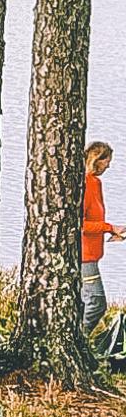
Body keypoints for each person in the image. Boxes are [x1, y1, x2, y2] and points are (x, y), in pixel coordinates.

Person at [83, 141, 121, 332]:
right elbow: (80, 224)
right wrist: (108, 227)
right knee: (97, 304)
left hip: (92, 255)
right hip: (84, 256)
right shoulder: (87, 184)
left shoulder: (95, 183)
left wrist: (112, 230)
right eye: (107, 161)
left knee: (82, 302)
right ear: (97, 160)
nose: (108, 165)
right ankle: (79, 340)